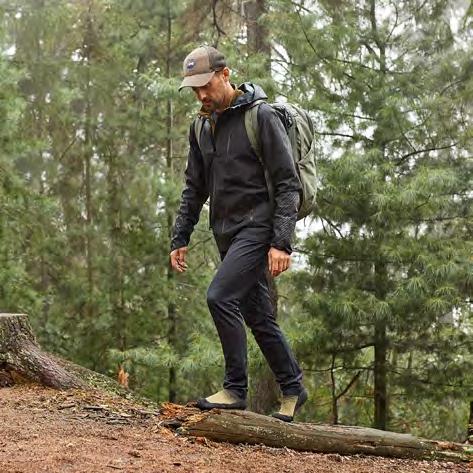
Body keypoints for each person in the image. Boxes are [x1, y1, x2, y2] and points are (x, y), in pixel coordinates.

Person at [170, 45, 307, 422]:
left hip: (258, 227)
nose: (201, 94)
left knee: (219, 296)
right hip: (226, 232)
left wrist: (281, 242)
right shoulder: (201, 127)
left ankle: (234, 389)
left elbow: (287, 184)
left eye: (206, 85)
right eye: (194, 89)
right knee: (258, 315)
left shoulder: (260, 117)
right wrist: (180, 236)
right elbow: (194, 187)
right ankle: (293, 387)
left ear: (225, 74)